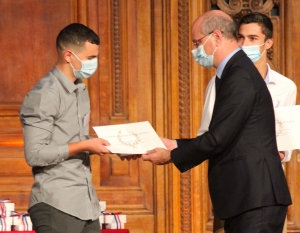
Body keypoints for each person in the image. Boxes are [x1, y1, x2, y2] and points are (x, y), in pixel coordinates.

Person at [142, 10, 292, 233]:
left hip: (255, 199)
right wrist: (175, 144)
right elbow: (226, 135)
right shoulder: (232, 73)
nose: (194, 50)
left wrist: (172, 155)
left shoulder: (239, 75)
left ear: (217, 37)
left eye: (197, 42)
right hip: (243, 199)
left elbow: (218, 138)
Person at [198, 12, 297, 233]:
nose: (245, 44)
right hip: (232, 185)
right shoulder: (219, 82)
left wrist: (282, 152)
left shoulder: (286, 86)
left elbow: (286, 139)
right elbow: (206, 133)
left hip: (266, 189)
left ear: (268, 42)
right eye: (240, 38)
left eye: (253, 38)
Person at [19, 23, 111, 233]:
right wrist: (86, 144)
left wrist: (109, 144)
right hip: (57, 203)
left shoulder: (80, 89)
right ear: (69, 55)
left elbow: (73, 138)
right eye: (90, 58)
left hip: (86, 204)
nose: (95, 63)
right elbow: (35, 154)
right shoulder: (45, 94)